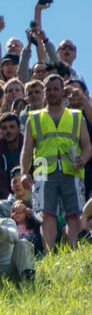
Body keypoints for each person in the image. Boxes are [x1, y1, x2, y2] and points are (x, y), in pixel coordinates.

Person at [21, 73, 92, 251]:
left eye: (56, 89)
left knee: (74, 213)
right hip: (44, 167)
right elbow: (27, 149)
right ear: (44, 92)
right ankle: (49, 253)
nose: (52, 93)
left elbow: (87, 145)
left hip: (71, 167)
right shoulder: (35, 117)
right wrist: (24, 172)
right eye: (49, 89)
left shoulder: (77, 116)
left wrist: (83, 158)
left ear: (62, 92)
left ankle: (75, 250)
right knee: (47, 213)